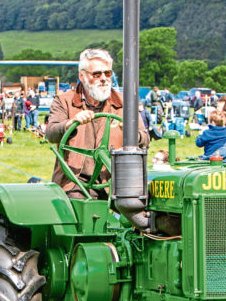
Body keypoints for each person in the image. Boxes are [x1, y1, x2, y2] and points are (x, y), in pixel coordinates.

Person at [45, 48, 149, 198]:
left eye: (108, 73)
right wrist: (70, 123)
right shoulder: (64, 101)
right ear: (82, 76)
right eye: (97, 74)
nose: (104, 78)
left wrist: (131, 132)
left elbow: (145, 139)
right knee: (81, 204)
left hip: (117, 180)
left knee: (143, 206)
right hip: (77, 181)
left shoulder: (125, 102)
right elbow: (51, 133)